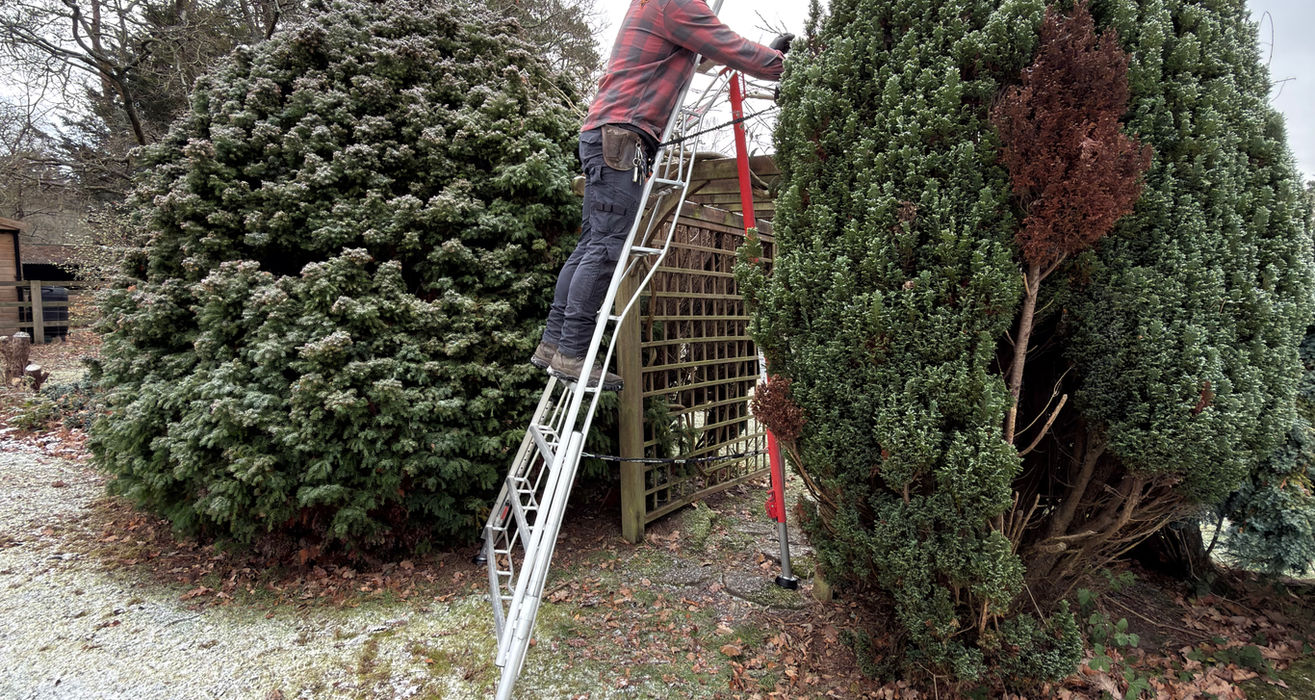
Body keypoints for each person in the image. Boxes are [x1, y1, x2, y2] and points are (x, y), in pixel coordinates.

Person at [532, 0, 792, 391]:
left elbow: (706, 56)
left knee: (591, 244)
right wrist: (786, 66)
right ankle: (572, 352)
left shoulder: (658, 6)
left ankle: (554, 344)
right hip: (621, 136)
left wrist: (763, 52)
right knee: (605, 247)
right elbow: (727, 45)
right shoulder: (677, 3)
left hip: (606, 134)